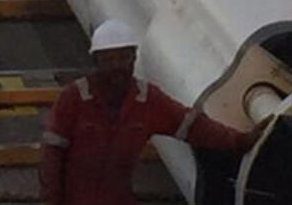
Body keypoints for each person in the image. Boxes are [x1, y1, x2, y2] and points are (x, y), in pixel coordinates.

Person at [40, 20, 267, 205]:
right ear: (96, 61)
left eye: (123, 57)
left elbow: (194, 127)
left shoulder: (148, 101)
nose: (117, 65)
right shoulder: (74, 99)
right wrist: (52, 200)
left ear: (134, 58)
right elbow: (52, 154)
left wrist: (240, 141)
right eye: (108, 59)